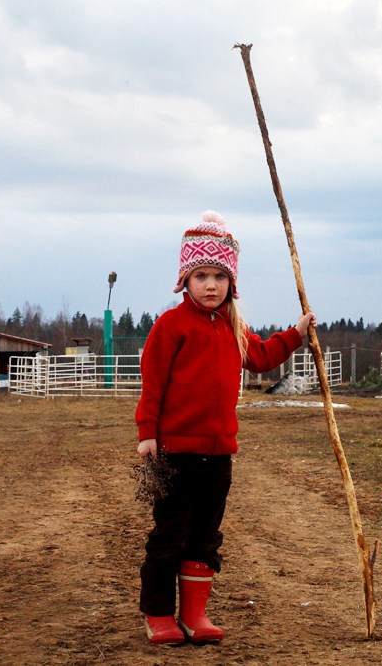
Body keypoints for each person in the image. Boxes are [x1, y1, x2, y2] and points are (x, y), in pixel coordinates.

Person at [135, 210, 316, 645]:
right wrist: (147, 434)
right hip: (175, 452)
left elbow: (262, 357)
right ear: (185, 280)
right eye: (201, 276)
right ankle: (159, 614)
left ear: (231, 282)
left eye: (219, 276)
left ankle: (195, 615)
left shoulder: (235, 327)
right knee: (169, 534)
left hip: (218, 454)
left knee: (204, 535)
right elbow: (153, 382)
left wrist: (296, 334)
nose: (211, 285)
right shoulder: (171, 326)